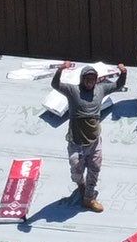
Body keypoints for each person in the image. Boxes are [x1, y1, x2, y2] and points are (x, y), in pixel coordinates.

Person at [49, 61, 126, 211]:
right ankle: (80, 184)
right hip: (76, 142)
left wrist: (123, 73)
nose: (90, 82)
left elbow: (118, 85)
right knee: (76, 169)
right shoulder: (73, 91)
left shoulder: (101, 89)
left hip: (94, 142)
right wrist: (60, 70)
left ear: (96, 79)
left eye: (93, 79)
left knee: (94, 168)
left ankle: (89, 197)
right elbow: (55, 85)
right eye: (87, 79)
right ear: (82, 79)